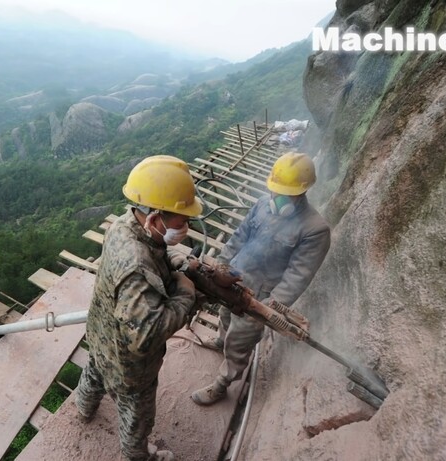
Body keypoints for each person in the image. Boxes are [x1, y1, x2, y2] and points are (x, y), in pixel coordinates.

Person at [74, 155, 202, 461]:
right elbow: (145, 336)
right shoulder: (136, 265)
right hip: (128, 365)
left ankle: (83, 408)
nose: (186, 226)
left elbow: (153, 255)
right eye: (181, 220)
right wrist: (185, 295)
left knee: (94, 372)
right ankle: (138, 455)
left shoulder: (125, 225)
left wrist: (175, 263)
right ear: (155, 218)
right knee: (137, 413)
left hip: (101, 334)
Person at [190, 152, 331, 406]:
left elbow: (297, 277)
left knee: (239, 343)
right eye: (274, 190)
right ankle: (220, 339)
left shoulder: (314, 229)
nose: (276, 197)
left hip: (259, 296)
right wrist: (222, 265)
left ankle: (222, 384)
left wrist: (269, 307)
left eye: (283, 193)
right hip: (234, 278)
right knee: (224, 318)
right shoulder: (261, 205)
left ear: (301, 192)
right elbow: (239, 237)